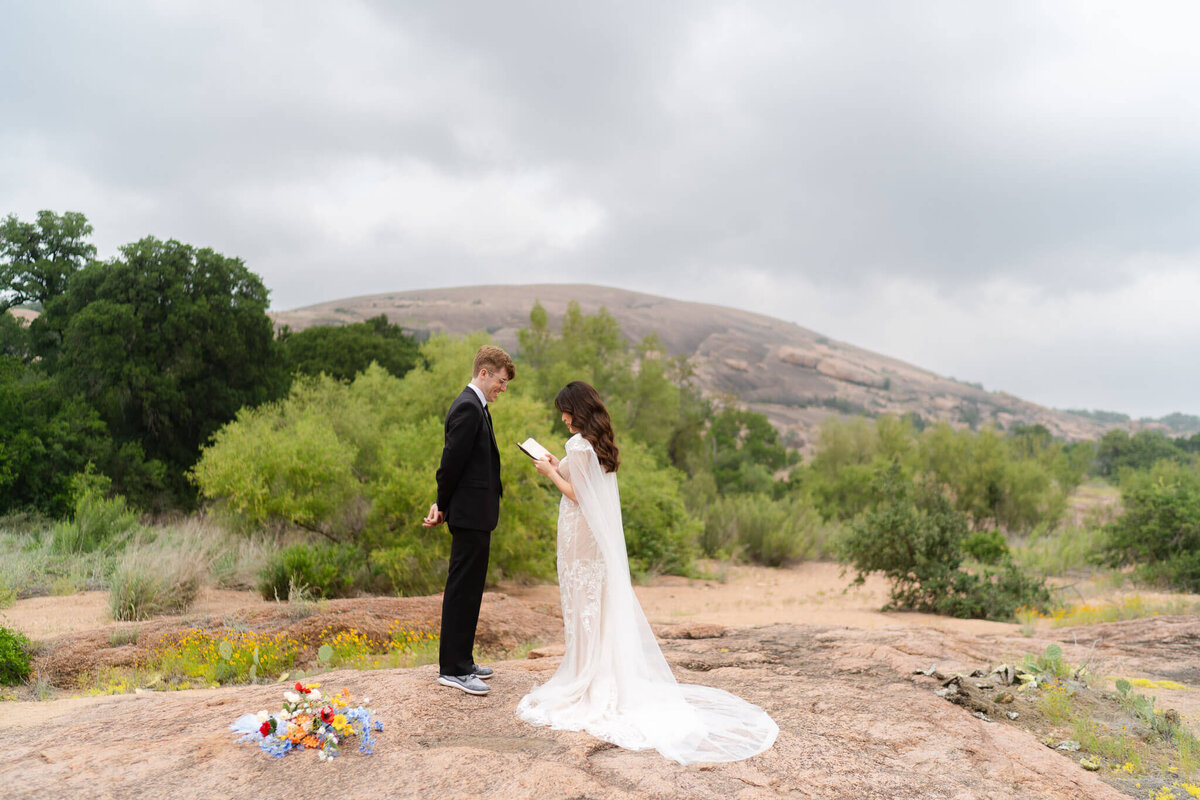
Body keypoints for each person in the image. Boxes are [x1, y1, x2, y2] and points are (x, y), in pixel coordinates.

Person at [517, 381, 778, 763]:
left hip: (580, 533)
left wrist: (549, 473)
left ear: (577, 409)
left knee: (582, 603)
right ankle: (595, 668)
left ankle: (585, 674)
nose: (562, 417)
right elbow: (585, 481)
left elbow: (577, 494)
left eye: (565, 410)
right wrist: (559, 465)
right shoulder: (596, 444)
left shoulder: (578, 444)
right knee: (595, 604)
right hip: (595, 538)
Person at [423, 345, 514, 695]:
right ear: (485, 373)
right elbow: (450, 465)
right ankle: (453, 668)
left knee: (471, 589)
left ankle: (463, 659)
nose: (502, 389)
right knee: (461, 588)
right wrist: (442, 505)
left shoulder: (479, 406)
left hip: (478, 515)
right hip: (468, 514)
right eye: (502, 382)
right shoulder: (467, 406)